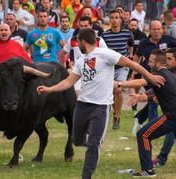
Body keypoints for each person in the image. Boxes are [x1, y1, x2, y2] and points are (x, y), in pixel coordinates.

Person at [36, 28, 165, 179]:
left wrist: (150, 76)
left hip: (100, 108)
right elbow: (69, 81)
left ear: (83, 41)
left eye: (78, 43)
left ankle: (87, 174)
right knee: (76, 141)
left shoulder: (106, 54)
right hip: (82, 105)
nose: (77, 46)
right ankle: (93, 141)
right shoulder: (80, 61)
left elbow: (132, 64)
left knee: (92, 145)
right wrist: (50, 88)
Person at [119, 49, 176, 177]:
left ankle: (147, 170)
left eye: (150, 62)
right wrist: (142, 97)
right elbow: (159, 93)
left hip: (174, 116)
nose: (148, 64)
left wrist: (119, 84)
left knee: (143, 135)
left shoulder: (159, 76)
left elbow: (141, 82)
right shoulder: (172, 75)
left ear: (157, 64)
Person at [102, 9, 134, 129]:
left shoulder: (127, 33)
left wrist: (130, 56)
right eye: (112, 17)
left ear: (121, 19)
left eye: (117, 17)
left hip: (122, 67)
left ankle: (117, 116)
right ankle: (108, 114)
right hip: (109, 68)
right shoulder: (105, 35)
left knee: (118, 90)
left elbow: (131, 45)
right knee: (109, 93)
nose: (114, 20)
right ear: (109, 20)